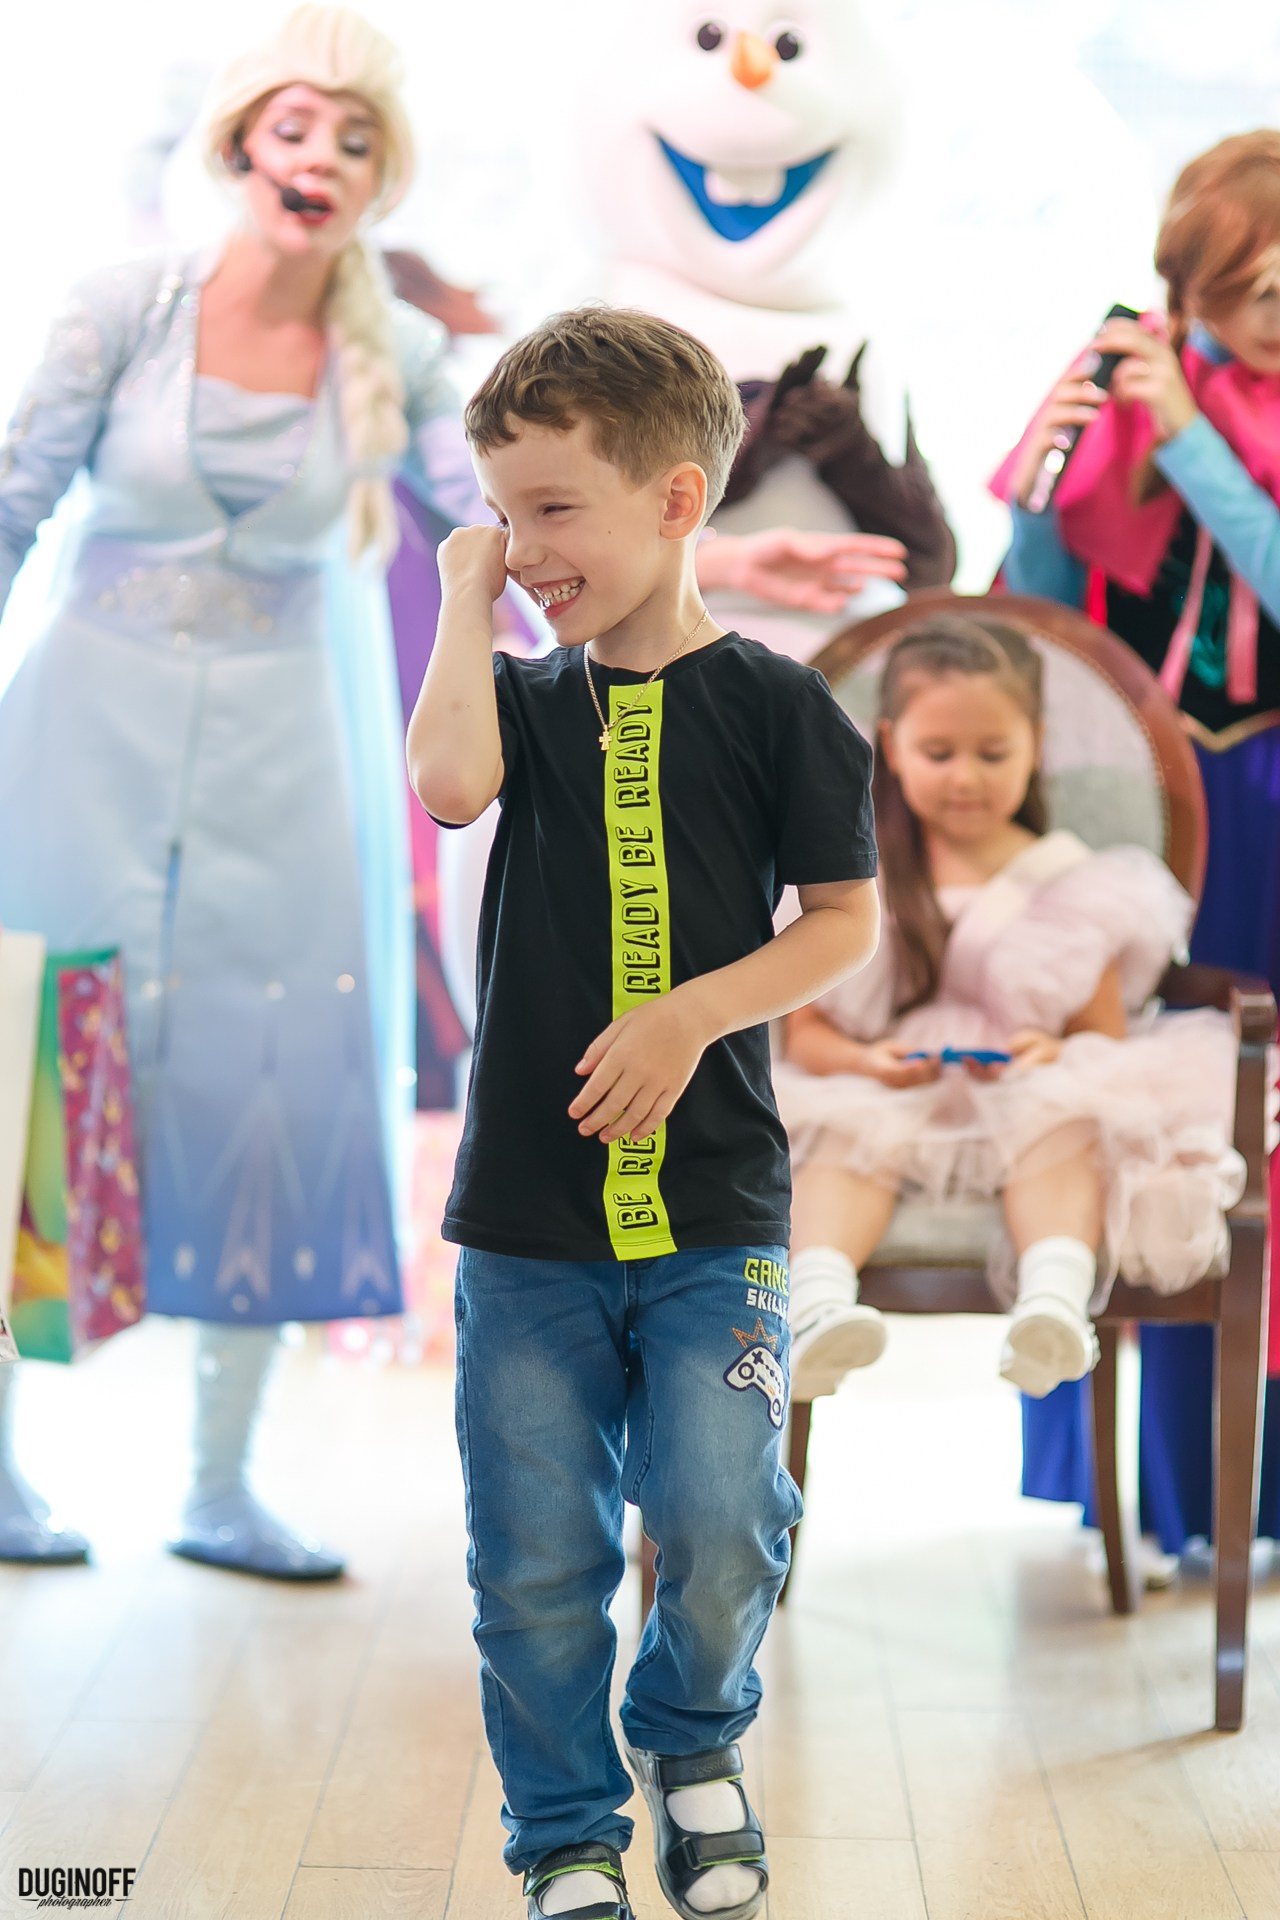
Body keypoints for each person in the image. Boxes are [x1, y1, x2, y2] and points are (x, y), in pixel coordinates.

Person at [407, 306, 879, 1920]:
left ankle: (692, 1737)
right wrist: (467, 606)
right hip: (525, 1222)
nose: (525, 547)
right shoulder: (528, 706)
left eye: (555, 512)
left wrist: (690, 1015)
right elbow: (449, 785)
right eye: (503, 511)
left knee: (718, 1516)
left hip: (718, 1210)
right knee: (535, 1564)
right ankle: (565, 1837)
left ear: (678, 503)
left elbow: (839, 922)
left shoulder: (777, 705)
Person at [0, 5, 478, 1577]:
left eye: (354, 141)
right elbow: (13, 502)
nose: (321, 161)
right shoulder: (121, 308)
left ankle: (220, 1485)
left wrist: (701, 567)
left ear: (379, 176)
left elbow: (508, 528)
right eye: (295, 131)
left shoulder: (397, 351)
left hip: (289, 761)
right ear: (236, 147)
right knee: (40, 1074)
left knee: (273, 1067)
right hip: (81, 743)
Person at [993, 131, 1280, 1565]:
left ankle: (1259, 1501)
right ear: (1194, 283)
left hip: (1278, 789)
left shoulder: (1199, 425)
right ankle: (1152, 1498)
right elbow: (1023, 615)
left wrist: (1198, 453)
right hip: (1146, 803)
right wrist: (1061, 459)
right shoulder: (1139, 388)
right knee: (1140, 1116)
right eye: (1264, 287)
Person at [773, 615, 1243, 1403]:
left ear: (1035, 743)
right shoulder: (855, 882)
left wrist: (1048, 1051)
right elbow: (808, 1035)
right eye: (938, 753)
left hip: (1020, 1090)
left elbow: (1100, 1035)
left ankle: (1054, 1307)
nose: (966, 777)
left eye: (993, 754)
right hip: (890, 1087)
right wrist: (868, 1062)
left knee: (1063, 1121)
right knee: (845, 1140)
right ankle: (819, 1308)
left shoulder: (1076, 886)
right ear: (890, 745)